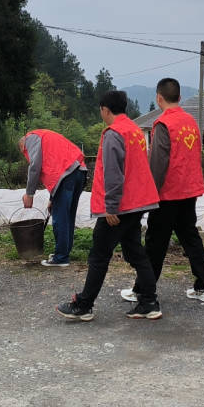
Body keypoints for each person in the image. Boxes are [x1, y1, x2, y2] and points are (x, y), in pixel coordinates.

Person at [56, 90, 162, 322]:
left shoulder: (114, 134)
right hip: (138, 203)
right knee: (136, 253)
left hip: (119, 207)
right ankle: (149, 302)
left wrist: (111, 207)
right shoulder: (134, 130)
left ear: (105, 109)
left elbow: (113, 174)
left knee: (99, 256)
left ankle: (84, 305)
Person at [121, 77, 204, 305]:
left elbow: (158, 163)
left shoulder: (163, 124)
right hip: (189, 191)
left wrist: (149, 193)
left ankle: (142, 290)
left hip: (167, 194)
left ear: (158, 98)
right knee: (190, 237)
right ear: (179, 98)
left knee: (155, 243)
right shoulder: (191, 122)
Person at [19, 128, 88, 267]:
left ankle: (61, 258)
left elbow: (35, 166)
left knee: (60, 217)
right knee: (68, 215)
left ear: (23, 145)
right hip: (79, 171)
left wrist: (29, 193)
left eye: (24, 152)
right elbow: (56, 165)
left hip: (67, 175)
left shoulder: (31, 138)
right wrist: (52, 198)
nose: (26, 155)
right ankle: (63, 252)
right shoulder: (46, 137)